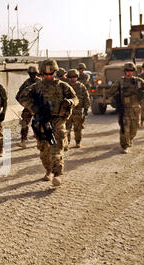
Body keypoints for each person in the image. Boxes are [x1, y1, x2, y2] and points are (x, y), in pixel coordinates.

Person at [18, 59, 78, 187]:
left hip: (57, 120)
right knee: (44, 150)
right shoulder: (36, 86)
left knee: (56, 148)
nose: (49, 77)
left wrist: (69, 102)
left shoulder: (62, 86)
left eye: (51, 74)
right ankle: (48, 170)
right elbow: (20, 96)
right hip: (42, 121)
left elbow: (75, 98)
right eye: (46, 74)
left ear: (55, 72)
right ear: (42, 74)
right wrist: (32, 107)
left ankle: (58, 174)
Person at [108, 62, 144, 153]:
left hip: (136, 109)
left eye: (131, 70)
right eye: (127, 70)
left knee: (134, 129)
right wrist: (115, 99)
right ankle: (125, 146)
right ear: (124, 71)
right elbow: (110, 92)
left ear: (133, 71)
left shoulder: (138, 81)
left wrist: (143, 93)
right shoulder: (120, 82)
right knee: (124, 129)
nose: (129, 72)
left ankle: (130, 139)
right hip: (124, 109)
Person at [15, 65, 41, 148]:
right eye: (31, 74)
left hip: (38, 107)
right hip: (29, 107)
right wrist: (25, 104)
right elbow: (18, 96)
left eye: (34, 73)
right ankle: (23, 141)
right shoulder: (26, 83)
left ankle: (39, 141)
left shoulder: (41, 82)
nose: (32, 75)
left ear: (37, 73)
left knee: (38, 124)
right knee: (24, 123)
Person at [65, 69, 91, 149]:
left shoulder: (81, 86)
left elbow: (86, 98)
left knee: (78, 129)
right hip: (67, 111)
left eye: (74, 77)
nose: (73, 78)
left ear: (77, 77)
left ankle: (78, 142)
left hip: (78, 111)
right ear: (68, 77)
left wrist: (86, 109)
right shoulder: (65, 86)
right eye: (71, 77)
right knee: (67, 129)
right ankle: (66, 143)